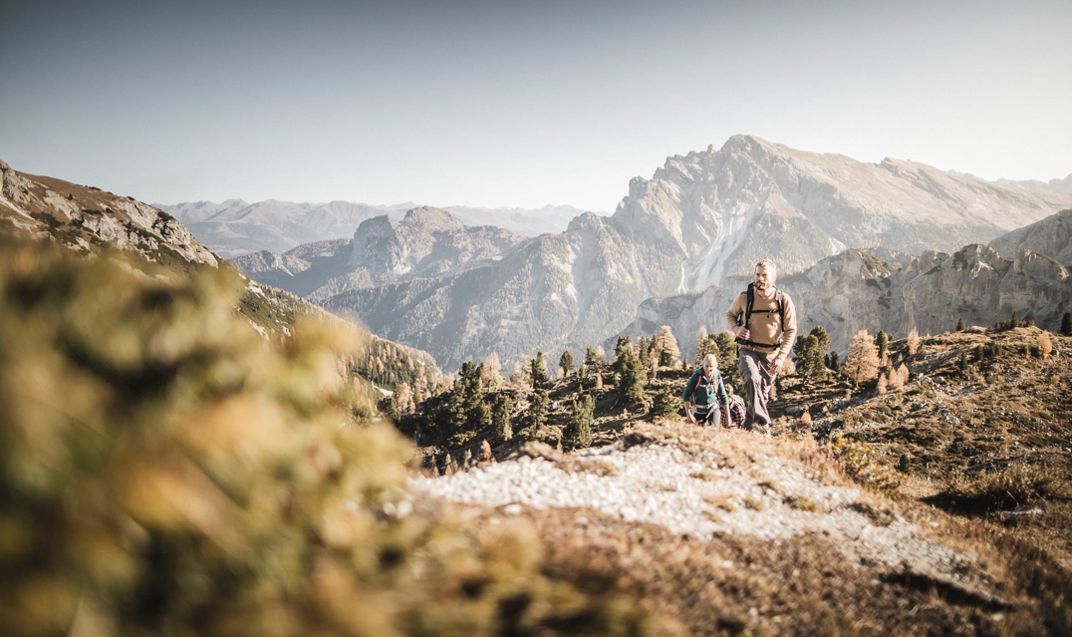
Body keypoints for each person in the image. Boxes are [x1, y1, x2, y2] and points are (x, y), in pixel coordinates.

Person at [725, 258, 797, 434]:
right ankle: (764, 425)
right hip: (748, 350)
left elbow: (791, 330)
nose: (760, 279)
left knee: (760, 397)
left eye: (764, 275)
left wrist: (781, 357)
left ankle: (747, 432)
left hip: (771, 356)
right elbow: (730, 315)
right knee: (752, 378)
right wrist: (736, 329)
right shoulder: (745, 298)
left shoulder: (783, 300)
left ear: (774, 278)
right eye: (757, 275)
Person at [682, 353, 730, 427]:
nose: (708, 369)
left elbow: (723, 395)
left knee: (713, 429)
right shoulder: (697, 375)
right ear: (703, 365)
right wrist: (689, 415)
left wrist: (728, 417)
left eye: (711, 366)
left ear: (715, 366)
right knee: (699, 435)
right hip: (698, 409)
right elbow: (686, 395)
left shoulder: (717, 375)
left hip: (713, 407)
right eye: (706, 366)